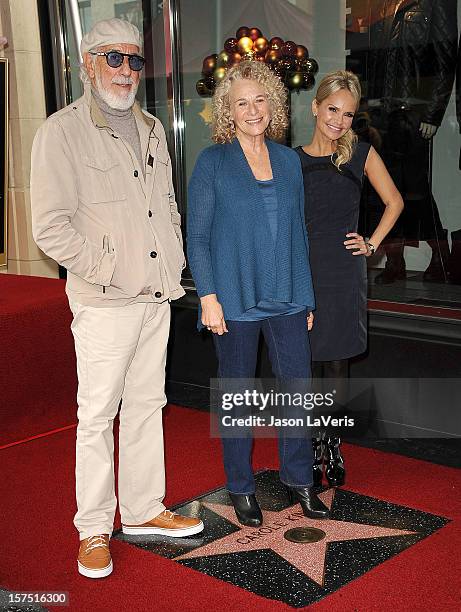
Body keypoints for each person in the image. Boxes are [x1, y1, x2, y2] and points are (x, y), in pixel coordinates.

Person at [30, 18, 203, 579]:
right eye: (114, 58)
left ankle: (145, 509)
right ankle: (93, 528)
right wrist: (110, 271)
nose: (127, 70)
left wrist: (172, 264)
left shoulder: (153, 128)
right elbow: (50, 228)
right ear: (87, 63)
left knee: (149, 408)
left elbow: (166, 210)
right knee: (97, 417)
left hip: (157, 298)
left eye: (134, 59)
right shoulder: (62, 132)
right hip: (105, 302)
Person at [187, 61, 329, 527]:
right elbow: (199, 236)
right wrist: (207, 295)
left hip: (287, 294)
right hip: (235, 298)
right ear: (228, 109)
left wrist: (306, 295)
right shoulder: (213, 161)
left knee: (297, 391)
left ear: (274, 103)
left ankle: (299, 477)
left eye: (261, 99)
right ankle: (240, 485)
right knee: (238, 395)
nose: (253, 110)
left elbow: (299, 234)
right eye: (242, 102)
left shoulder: (288, 160)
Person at [295, 70, 403, 487]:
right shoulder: (293, 160)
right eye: (332, 110)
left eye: (348, 114)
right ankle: (305, 443)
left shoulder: (360, 154)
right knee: (303, 361)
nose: (339, 121)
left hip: (342, 271)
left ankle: (332, 442)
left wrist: (372, 243)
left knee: (337, 360)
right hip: (305, 272)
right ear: (316, 107)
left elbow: (394, 202)